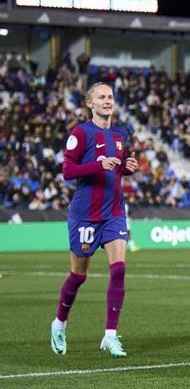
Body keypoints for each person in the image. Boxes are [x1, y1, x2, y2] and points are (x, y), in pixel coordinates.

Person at [51, 82, 138, 358]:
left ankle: (110, 335)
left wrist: (127, 168)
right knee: (79, 275)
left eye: (110, 97)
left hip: (113, 212)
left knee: (120, 269)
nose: (107, 100)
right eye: (101, 97)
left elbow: (118, 168)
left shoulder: (121, 133)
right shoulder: (80, 133)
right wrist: (98, 165)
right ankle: (59, 323)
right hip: (85, 215)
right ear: (90, 103)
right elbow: (68, 171)